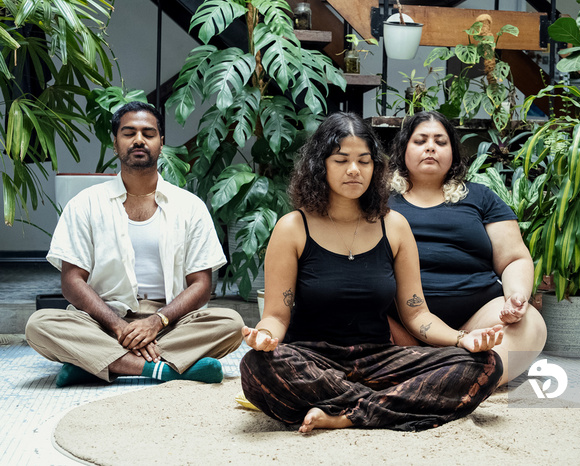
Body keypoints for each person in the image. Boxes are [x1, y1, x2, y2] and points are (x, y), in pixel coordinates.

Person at [239, 112, 504, 433]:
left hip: (381, 360)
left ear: (376, 167)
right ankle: (391, 405)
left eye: (364, 161)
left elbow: (417, 315)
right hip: (312, 360)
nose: (354, 170)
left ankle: (345, 415)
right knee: (256, 366)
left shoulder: (394, 226)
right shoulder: (292, 228)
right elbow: (277, 316)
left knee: (485, 363)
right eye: (341, 160)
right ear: (319, 165)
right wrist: (266, 337)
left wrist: (464, 339)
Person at [25, 101, 244, 387]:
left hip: (171, 323)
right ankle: (163, 370)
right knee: (40, 325)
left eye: (148, 133)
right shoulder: (85, 205)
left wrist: (157, 322)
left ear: (161, 143)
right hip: (103, 321)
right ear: (115, 143)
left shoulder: (190, 207)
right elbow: (72, 282)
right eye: (129, 133)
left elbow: (201, 285)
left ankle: (98, 365)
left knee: (230, 323)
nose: (139, 139)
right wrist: (117, 326)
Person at [387, 111, 547, 384]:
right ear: (403, 149)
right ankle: (448, 375)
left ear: (453, 153)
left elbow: (514, 259)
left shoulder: (481, 197)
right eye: (420, 140)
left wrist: (516, 297)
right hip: (400, 326)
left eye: (440, 141)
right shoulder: (378, 200)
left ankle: (455, 380)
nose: (430, 147)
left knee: (530, 324)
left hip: (477, 321)